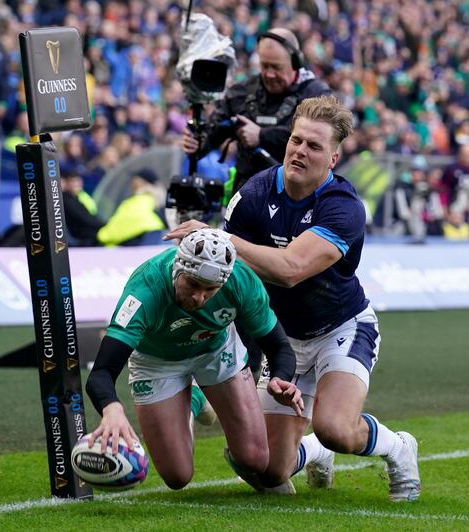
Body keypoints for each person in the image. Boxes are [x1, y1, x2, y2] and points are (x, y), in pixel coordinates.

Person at [166, 95, 421, 501]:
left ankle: (399, 447)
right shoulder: (254, 193)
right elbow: (230, 275)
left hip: (340, 327)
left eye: (314, 146)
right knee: (266, 470)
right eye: (296, 141)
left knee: (335, 428)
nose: (301, 151)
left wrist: (222, 237)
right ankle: (314, 454)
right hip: (282, 338)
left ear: (333, 158)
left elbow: (290, 270)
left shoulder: (343, 207)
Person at [85, 228, 303, 490]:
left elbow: (279, 346)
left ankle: (315, 451)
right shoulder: (145, 290)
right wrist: (112, 410)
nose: (199, 297)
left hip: (216, 348)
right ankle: (194, 400)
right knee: (178, 477)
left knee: (255, 460)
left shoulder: (241, 281)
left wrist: (280, 378)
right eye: (192, 285)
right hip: (156, 361)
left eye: (210, 290)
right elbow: (101, 373)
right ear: (178, 268)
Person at [182, 27, 331, 194]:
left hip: (298, 198)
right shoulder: (242, 92)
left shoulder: (317, 96)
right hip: (247, 196)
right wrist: (198, 142)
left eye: (276, 67)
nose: (269, 74)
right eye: (264, 66)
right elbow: (213, 132)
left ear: (295, 62)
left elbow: (317, 141)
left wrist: (261, 136)